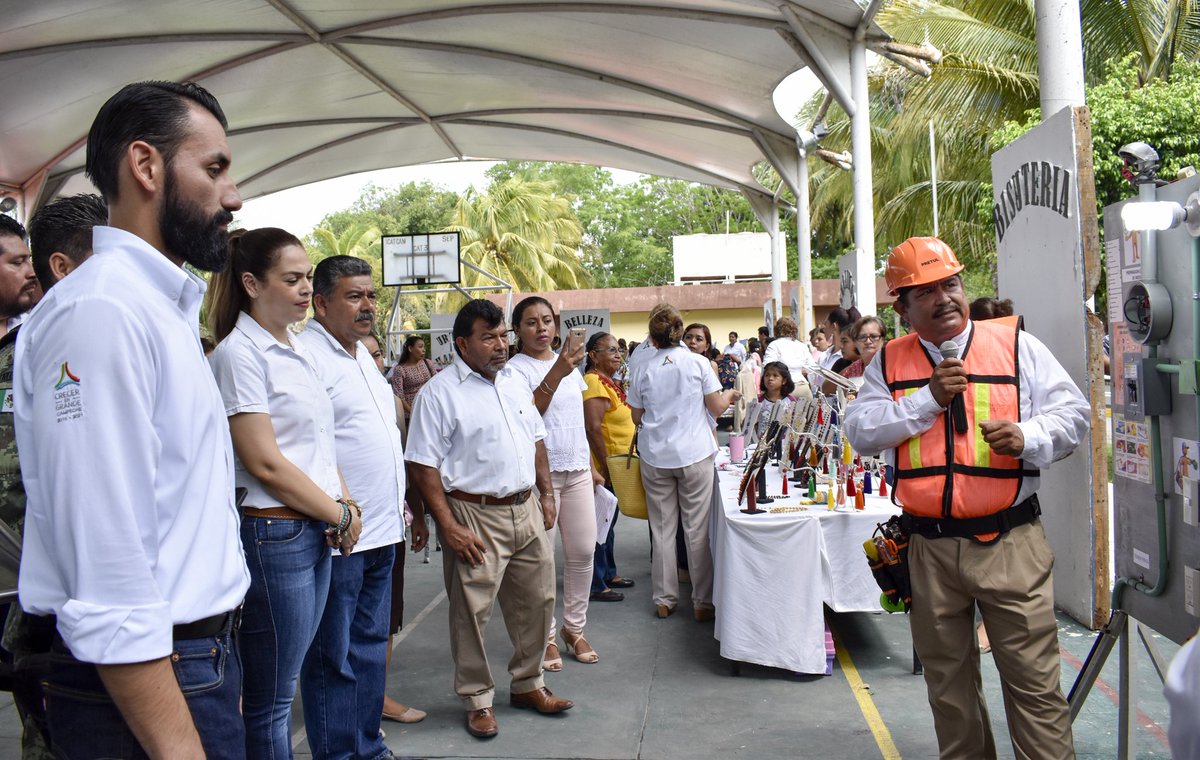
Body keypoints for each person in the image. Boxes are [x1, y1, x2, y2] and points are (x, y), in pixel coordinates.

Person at [14, 81, 250, 760]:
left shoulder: (155, 309)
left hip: (191, 663)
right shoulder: (102, 314)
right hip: (148, 679)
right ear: (145, 166)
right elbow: (108, 573)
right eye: (213, 170)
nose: (231, 196)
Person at [845, 236, 1089, 760]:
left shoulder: (1018, 346)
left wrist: (1029, 437)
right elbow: (862, 431)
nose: (944, 298)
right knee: (949, 692)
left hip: (1011, 543)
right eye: (925, 291)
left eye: (950, 284)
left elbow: (1074, 417)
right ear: (902, 308)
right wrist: (926, 400)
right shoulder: (887, 362)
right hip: (928, 549)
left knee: (1035, 688)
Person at [207, 227, 362, 760]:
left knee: (285, 684)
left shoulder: (296, 349)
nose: (304, 289)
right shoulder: (238, 355)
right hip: (275, 531)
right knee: (271, 700)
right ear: (251, 283)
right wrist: (338, 514)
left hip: (311, 528)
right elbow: (265, 462)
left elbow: (321, 441)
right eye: (291, 279)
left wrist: (344, 506)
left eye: (305, 277)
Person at [405, 299, 573, 740]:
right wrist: (448, 525)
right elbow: (422, 465)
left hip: (526, 508)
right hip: (472, 513)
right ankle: (478, 699)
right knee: (471, 613)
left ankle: (529, 684)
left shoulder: (514, 383)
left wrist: (547, 493)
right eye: (489, 337)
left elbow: (536, 438)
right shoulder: (438, 394)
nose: (501, 345)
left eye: (503, 336)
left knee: (538, 602)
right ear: (462, 343)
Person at [296, 255, 427, 757]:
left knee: (371, 650)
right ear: (321, 301)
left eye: (371, 294)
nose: (368, 305)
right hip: (339, 537)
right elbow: (308, 450)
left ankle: (369, 747)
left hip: (383, 529)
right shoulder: (306, 356)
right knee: (335, 660)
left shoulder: (362, 358)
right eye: (354, 296)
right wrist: (339, 514)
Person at [2, 194, 108, 760]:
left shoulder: (45, 340)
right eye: (15, 261)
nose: (29, 269)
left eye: (30, 259)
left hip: (40, 577)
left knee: (52, 726)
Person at [628, 303, 738, 620]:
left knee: (662, 529)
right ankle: (702, 601)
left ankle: (664, 599)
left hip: (656, 455)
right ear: (679, 332)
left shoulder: (643, 366)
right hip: (694, 453)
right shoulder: (698, 363)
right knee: (696, 528)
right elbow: (716, 408)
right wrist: (730, 395)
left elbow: (636, 414)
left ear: (652, 335)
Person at [507, 297, 600, 669]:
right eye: (531, 322)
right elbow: (528, 417)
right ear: (518, 331)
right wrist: (558, 370)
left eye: (547, 321)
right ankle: (543, 636)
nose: (542, 328)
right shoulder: (514, 371)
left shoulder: (571, 368)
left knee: (582, 552)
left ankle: (573, 629)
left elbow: (574, 421)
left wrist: (591, 464)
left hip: (576, 470)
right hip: (538, 478)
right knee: (541, 562)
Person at [582, 332, 637, 605]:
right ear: (593, 355)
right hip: (607, 465)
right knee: (600, 524)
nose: (618, 354)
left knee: (609, 522)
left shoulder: (607, 382)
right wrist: (605, 466)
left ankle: (608, 574)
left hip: (618, 465)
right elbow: (592, 428)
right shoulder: (593, 382)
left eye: (619, 350)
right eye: (610, 350)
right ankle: (596, 582)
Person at [742, 361, 796, 445]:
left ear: (784, 381)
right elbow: (748, 424)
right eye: (767, 375)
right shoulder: (759, 401)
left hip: (784, 445)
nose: (770, 378)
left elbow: (795, 424)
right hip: (761, 444)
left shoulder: (791, 401)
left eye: (775, 375)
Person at [390, 334, 437, 425]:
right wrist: (413, 412)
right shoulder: (400, 370)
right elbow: (399, 396)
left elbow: (437, 383)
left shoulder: (427, 363)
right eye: (420, 347)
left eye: (424, 347)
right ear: (410, 348)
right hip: (410, 416)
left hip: (430, 410)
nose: (424, 350)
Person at [763, 317, 813, 399]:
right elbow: (811, 368)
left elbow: (767, 366)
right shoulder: (802, 345)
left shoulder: (774, 345)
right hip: (803, 387)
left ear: (776, 330)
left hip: (784, 389)